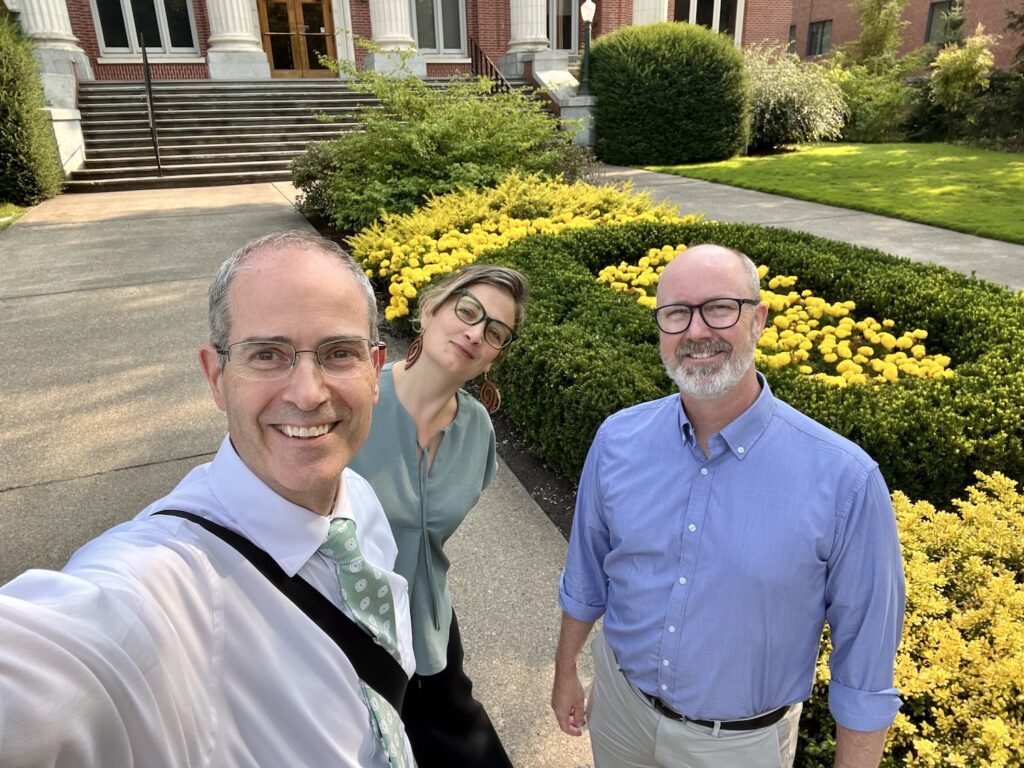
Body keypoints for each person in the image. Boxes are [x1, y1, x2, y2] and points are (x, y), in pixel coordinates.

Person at [0, 231, 417, 766]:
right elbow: (53, 666)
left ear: (375, 369)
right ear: (217, 376)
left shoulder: (358, 499)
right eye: (268, 355)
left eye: (340, 353)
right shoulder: (160, 585)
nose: (309, 393)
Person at [551, 244, 905, 768]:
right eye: (676, 314)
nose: (696, 332)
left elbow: (866, 668)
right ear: (660, 329)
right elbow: (586, 574)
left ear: (758, 319)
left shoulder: (846, 481)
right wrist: (565, 671)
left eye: (719, 308)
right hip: (621, 713)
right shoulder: (618, 439)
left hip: (738, 747)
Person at [350, 264, 528, 767]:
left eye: (495, 332)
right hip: (350, 635)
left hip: (431, 635)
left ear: (495, 355)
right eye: (467, 310)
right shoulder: (358, 403)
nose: (476, 333)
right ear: (429, 310)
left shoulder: (479, 433)